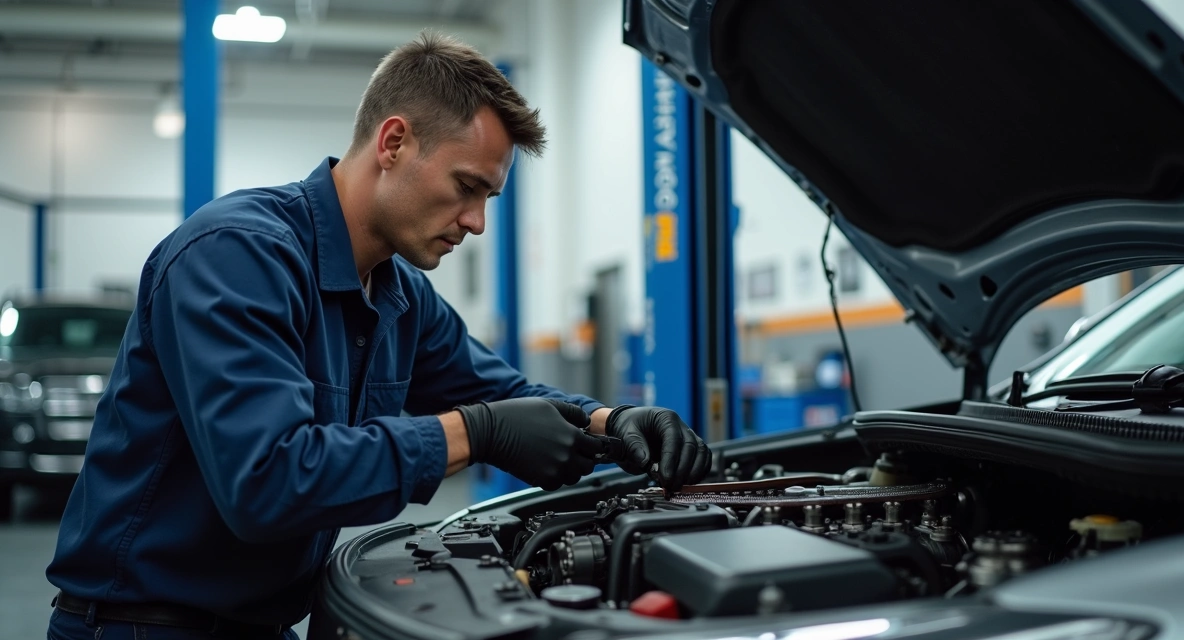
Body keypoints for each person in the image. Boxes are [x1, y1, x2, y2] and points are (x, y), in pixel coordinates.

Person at [45, 33, 710, 639]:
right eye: (466, 187)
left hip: (264, 624)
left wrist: (611, 421)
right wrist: (476, 432)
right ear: (394, 143)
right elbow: (268, 482)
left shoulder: (398, 294)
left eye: (489, 199)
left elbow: (502, 391)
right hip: (139, 626)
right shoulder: (238, 254)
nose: (476, 222)